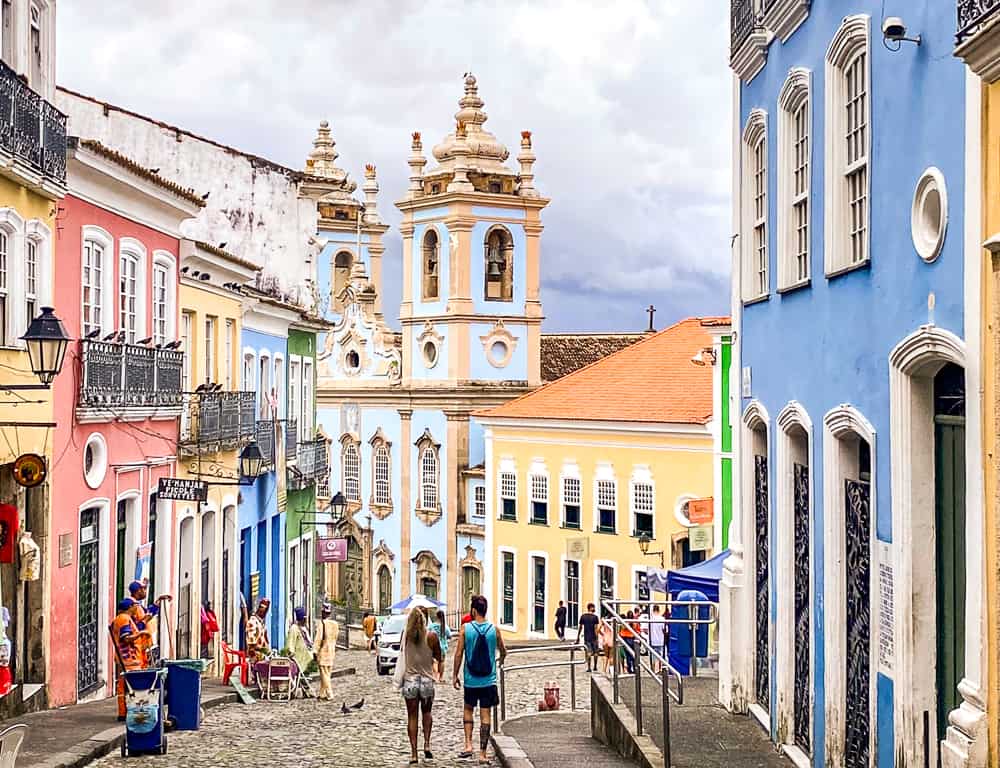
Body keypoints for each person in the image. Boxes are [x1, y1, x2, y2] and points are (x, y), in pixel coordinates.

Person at [452, 595, 506, 764]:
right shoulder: (494, 629)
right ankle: (483, 753)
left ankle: (468, 745)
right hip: (488, 680)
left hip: (471, 680)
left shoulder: (465, 629)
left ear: (474, 610)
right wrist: (500, 660)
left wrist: (455, 674)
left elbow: (459, 653)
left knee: (468, 709)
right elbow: (503, 650)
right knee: (486, 714)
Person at [400, 608, 443, 764]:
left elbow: (402, 655)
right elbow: (439, 656)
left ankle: (413, 753)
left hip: (410, 681)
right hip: (426, 681)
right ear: (426, 619)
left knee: (412, 717)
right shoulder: (431, 636)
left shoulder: (406, 637)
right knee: (427, 713)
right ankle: (426, 743)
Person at [112, 599, 149, 721]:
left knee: (123, 688)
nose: (136, 609)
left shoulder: (122, 619)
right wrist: (142, 633)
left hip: (126, 659)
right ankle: (133, 712)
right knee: (134, 687)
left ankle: (124, 712)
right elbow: (126, 638)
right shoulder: (124, 619)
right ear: (130, 607)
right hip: (129, 659)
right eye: (135, 606)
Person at [286, 606, 315, 697]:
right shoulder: (294, 628)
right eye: (304, 618)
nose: (305, 620)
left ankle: (304, 690)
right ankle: (304, 690)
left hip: (306, 656)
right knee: (302, 675)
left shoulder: (304, 628)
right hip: (299, 657)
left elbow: (309, 641)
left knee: (306, 674)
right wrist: (291, 653)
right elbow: (291, 642)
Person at [314, 603, 339, 701]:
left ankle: (329, 693)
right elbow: (336, 637)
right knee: (327, 673)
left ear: (323, 612)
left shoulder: (322, 624)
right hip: (331, 651)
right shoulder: (335, 624)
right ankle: (322, 693)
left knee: (324, 674)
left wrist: (315, 651)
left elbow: (318, 639)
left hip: (323, 652)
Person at [576, 603, 600, 673]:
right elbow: (595, 628)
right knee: (595, 652)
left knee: (588, 652)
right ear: (590, 608)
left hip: (587, 637)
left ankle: (589, 667)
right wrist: (597, 637)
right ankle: (594, 666)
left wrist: (578, 636)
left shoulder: (583, 616)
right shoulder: (595, 617)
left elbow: (580, 627)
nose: (594, 609)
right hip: (593, 637)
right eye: (593, 607)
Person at [246, 598, 271, 663]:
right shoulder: (252, 622)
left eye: (265, 609)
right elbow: (251, 644)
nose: (263, 611)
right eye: (261, 608)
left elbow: (265, 639)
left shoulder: (261, 623)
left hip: (263, 657)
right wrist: (264, 650)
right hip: (255, 657)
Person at [649, 604, 666, 672]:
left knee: (653, 656)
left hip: (652, 640)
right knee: (660, 656)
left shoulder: (650, 619)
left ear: (653, 610)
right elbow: (664, 630)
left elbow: (647, 629)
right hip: (660, 640)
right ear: (659, 610)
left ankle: (653, 670)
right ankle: (659, 669)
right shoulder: (662, 619)